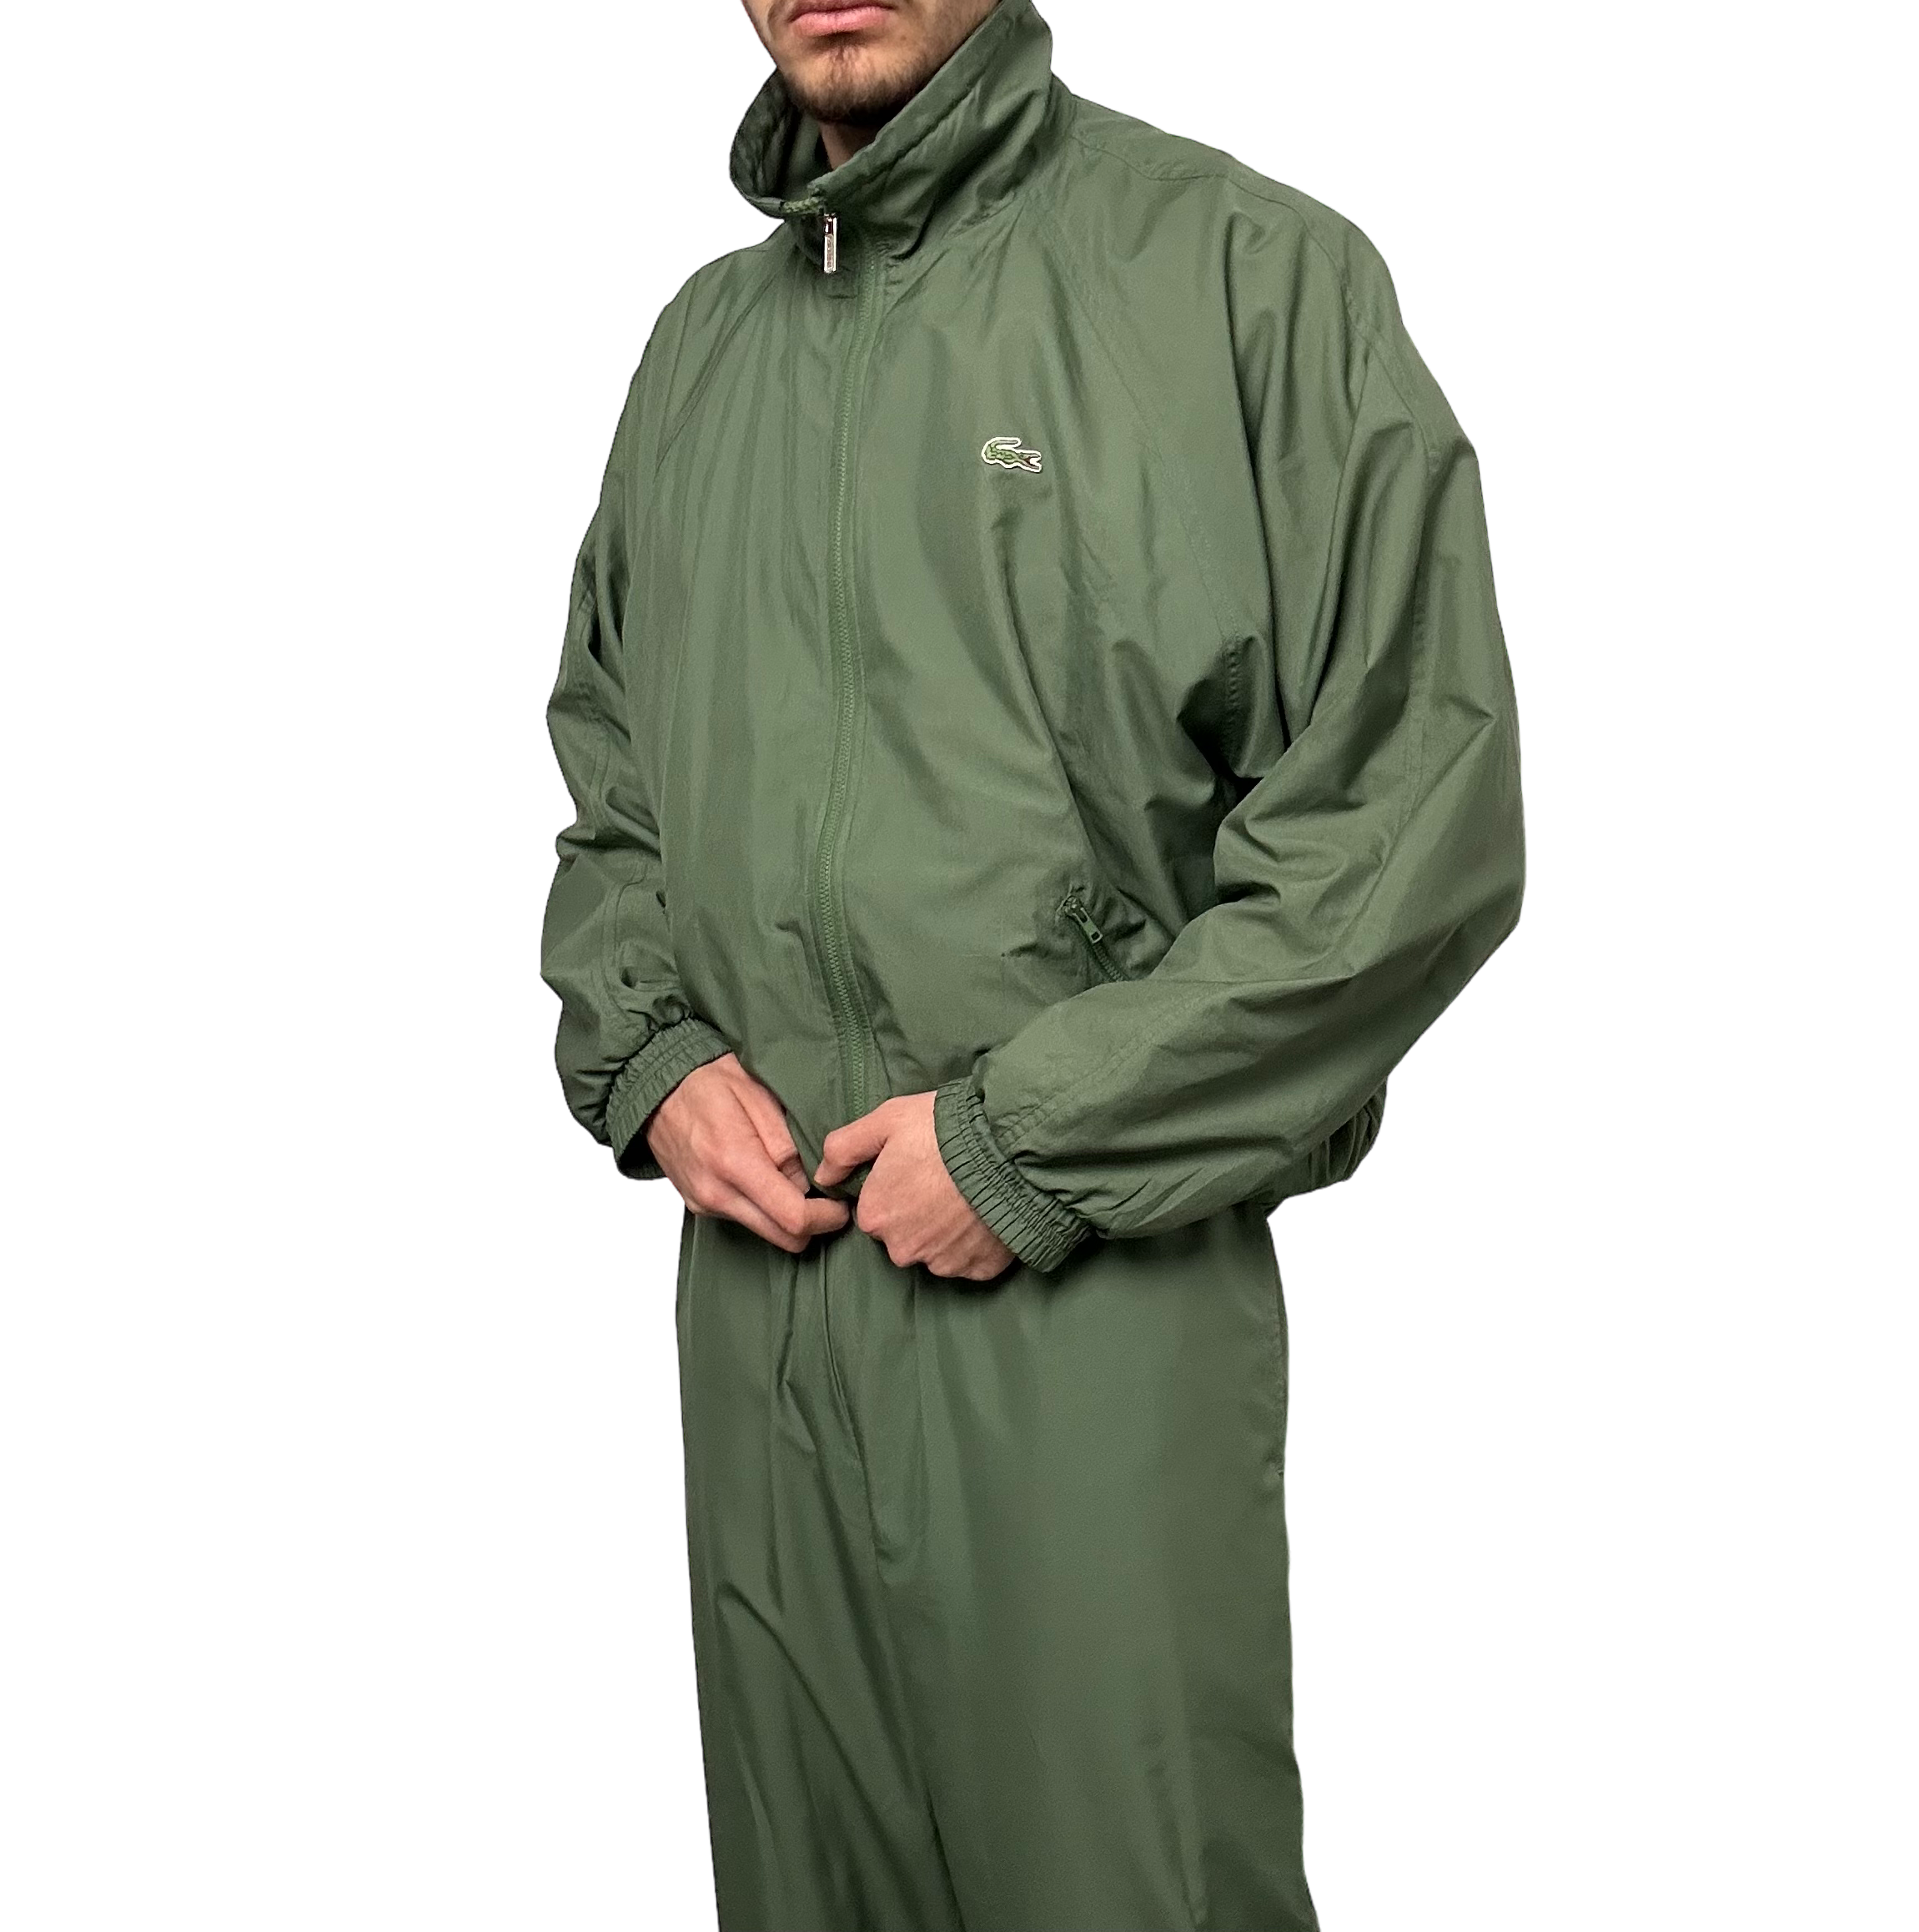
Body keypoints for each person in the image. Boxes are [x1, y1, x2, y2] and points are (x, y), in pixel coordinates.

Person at [539, 0, 1528, 1923]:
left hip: (1092, 1292)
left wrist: (1028, 1141)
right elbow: (614, 784)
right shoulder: (703, 350)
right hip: (761, 1300)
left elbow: (1416, 815)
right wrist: (650, 1056)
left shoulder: (1244, 279)